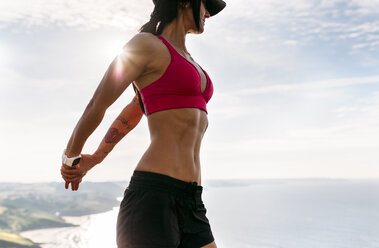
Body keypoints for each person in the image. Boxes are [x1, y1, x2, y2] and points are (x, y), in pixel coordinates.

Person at [60, 0, 226, 247]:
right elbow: (97, 104)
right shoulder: (146, 45)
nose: (209, 14)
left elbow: (134, 111)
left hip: (191, 200)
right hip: (153, 197)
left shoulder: (190, 61)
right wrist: (71, 159)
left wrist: (97, 156)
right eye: (205, 4)